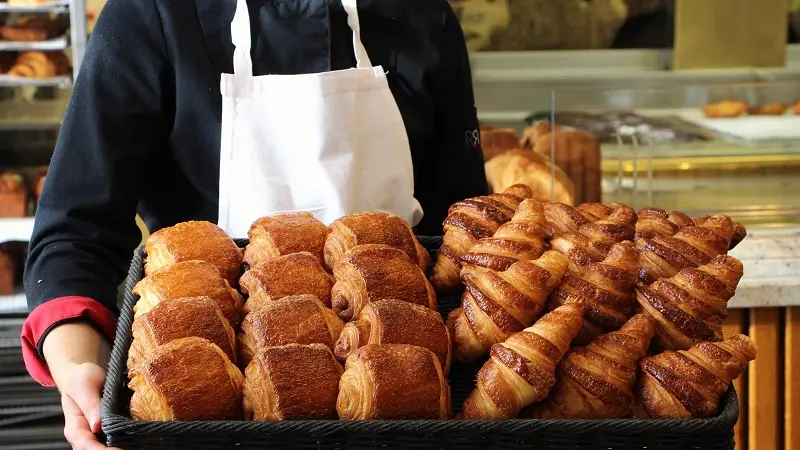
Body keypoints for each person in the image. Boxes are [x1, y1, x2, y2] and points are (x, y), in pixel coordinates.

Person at [20, 0, 487, 448]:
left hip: (402, 401)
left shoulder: (423, 15)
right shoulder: (157, 13)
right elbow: (77, 229)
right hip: (203, 412)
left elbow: (464, 236)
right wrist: (77, 364)